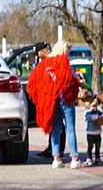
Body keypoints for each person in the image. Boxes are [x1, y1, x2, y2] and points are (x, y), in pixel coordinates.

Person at [27, 39, 82, 169]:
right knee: (70, 128)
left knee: (56, 128)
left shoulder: (45, 63)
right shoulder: (64, 62)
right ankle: (74, 158)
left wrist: (42, 95)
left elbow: (34, 79)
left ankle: (56, 158)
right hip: (65, 98)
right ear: (64, 49)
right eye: (68, 50)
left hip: (51, 99)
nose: (68, 53)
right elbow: (72, 79)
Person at [83, 96, 103, 166]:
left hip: (98, 132)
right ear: (89, 106)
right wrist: (98, 117)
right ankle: (89, 158)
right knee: (90, 146)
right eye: (93, 106)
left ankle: (97, 158)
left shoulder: (97, 112)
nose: (94, 108)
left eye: (96, 106)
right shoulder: (87, 113)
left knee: (98, 146)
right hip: (90, 133)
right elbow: (90, 117)